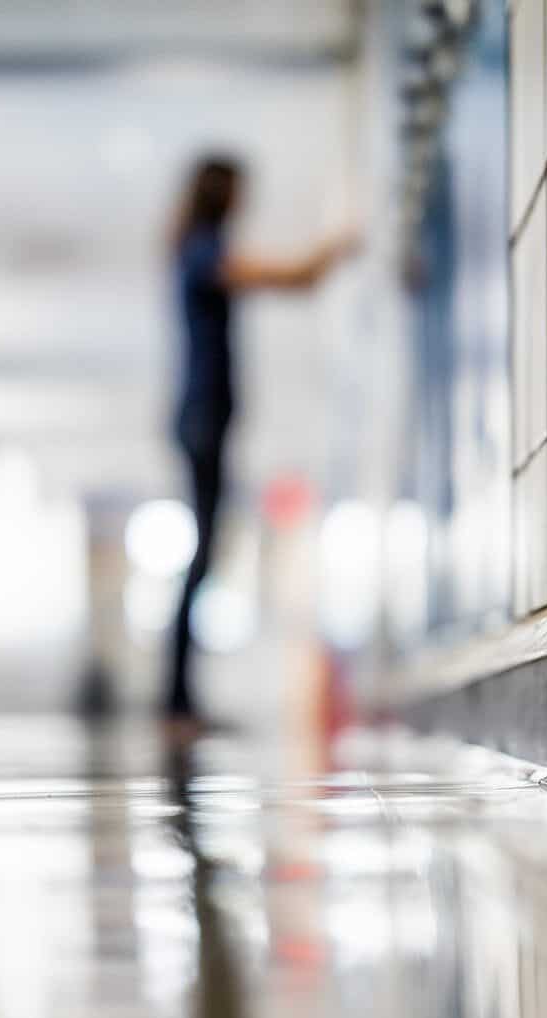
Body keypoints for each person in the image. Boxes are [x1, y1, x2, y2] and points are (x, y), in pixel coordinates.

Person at [165, 155, 358, 727]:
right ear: (220, 194)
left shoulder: (197, 247)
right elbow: (297, 280)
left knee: (205, 553)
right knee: (202, 555)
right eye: (240, 192)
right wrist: (340, 241)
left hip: (206, 418)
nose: (246, 202)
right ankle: (175, 701)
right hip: (202, 417)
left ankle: (179, 698)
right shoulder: (202, 250)